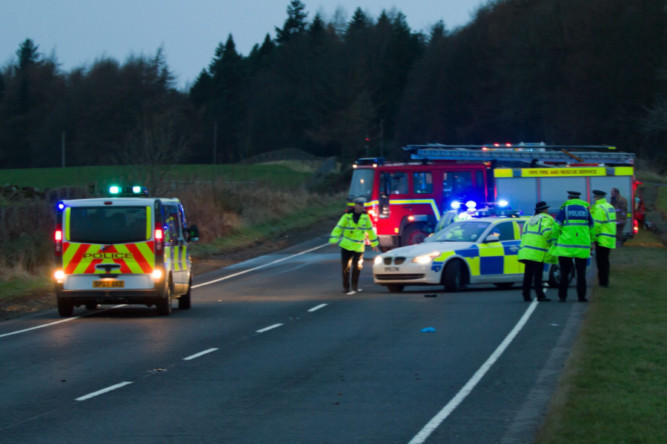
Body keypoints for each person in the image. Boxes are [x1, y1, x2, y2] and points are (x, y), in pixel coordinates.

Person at [550, 190, 594, 302]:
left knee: (564, 273)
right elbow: (592, 227)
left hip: (566, 247)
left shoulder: (565, 210)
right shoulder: (585, 210)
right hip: (582, 247)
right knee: (581, 274)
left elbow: (556, 227)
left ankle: (562, 296)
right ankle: (582, 296)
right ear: (579, 199)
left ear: (569, 198)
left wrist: (555, 240)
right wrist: (591, 242)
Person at [329, 197, 379, 294]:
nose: (361, 207)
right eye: (359, 205)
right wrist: (334, 239)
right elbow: (338, 228)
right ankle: (346, 287)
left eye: (362, 205)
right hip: (346, 246)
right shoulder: (347, 216)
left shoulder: (366, 217)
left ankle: (355, 285)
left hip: (358, 247)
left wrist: (374, 244)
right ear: (355, 205)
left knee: (357, 267)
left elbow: (370, 231)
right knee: (345, 268)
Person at [518, 201, 554, 302]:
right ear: (543, 210)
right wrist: (551, 244)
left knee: (528, 275)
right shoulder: (546, 219)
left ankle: (526, 295)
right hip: (537, 252)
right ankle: (540, 296)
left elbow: (523, 235)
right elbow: (547, 233)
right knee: (538, 276)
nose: (548, 210)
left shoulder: (529, 220)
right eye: (547, 209)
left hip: (526, 251)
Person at [590, 189, 616, 287]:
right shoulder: (610, 207)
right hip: (609, 238)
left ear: (597, 198)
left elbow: (597, 225)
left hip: (601, 239)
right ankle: (605, 281)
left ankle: (603, 282)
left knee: (601, 262)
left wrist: (593, 239)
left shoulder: (598, 208)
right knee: (605, 261)